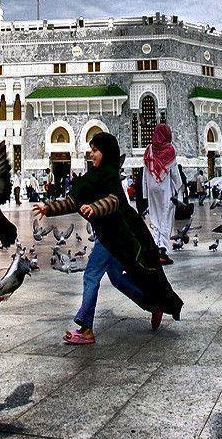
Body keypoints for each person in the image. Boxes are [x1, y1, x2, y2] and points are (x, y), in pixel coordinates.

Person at [34, 131, 182, 344]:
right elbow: (72, 201)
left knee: (91, 275)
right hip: (110, 237)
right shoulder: (90, 178)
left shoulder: (110, 175)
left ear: (106, 152)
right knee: (117, 276)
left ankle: (86, 330)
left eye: (95, 151)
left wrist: (95, 208)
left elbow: (113, 201)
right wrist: (48, 208)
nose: (91, 155)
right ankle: (154, 304)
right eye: (91, 151)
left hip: (116, 234)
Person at [141, 123, 182, 265]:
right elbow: (174, 173)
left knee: (155, 217)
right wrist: (179, 190)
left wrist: (145, 193)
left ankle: (156, 248)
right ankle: (163, 250)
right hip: (165, 189)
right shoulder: (170, 149)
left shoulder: (149, 149)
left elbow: (145, 173)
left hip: (152, 189)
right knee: (166, 217)